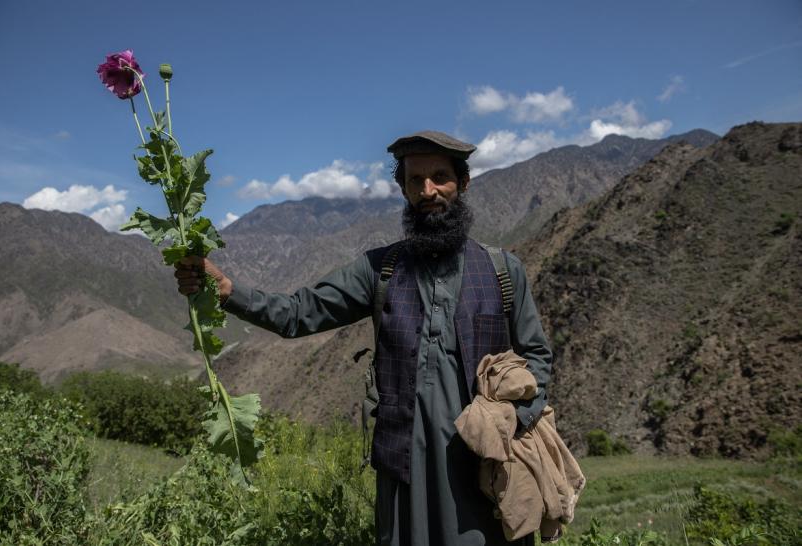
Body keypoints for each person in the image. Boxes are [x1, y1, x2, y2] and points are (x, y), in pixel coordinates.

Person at [175, 130, 553, 546]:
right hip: (404, 470)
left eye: (440, 177)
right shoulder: (381, 271)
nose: (428, 191)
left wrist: (513, 419)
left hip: (486, 472)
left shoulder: (502, 271)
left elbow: (537, 358)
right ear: (403, 189)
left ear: (462, 183)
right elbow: (299, 314)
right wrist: (228, 291)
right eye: (415, 181)